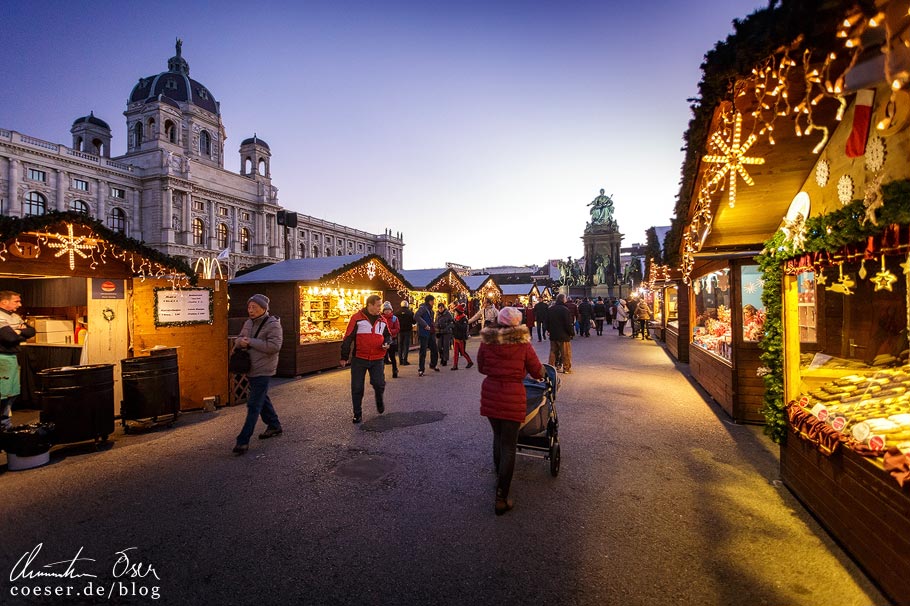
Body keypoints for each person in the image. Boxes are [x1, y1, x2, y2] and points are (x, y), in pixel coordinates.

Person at [477, 306, 544, 516]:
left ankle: (499, 476)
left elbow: (481, 367)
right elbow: (536, 370)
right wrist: (541, 373)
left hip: (491, 393)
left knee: (497, 436)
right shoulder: (522, 344)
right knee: (509, 445)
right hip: (513, 395)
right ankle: (502, 496)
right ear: (517, 323)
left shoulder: (487, 341)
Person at [232, 294, 283, 455]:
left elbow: (274, 346)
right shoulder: (248, 322)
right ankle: (274, 425)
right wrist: (240, 342)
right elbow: (239, 338)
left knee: (254, 404)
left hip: (264, 368)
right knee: (261, 397)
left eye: (254, 307)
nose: (251, 310)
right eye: (249, 307)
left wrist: (251, 342)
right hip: (250, 367)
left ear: (264, 308)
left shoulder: (273, 325)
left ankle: (243, 440)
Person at [340, 294, 391, 423]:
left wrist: (387, 343)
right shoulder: (357, 318)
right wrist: (344, 356)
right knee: (357, 387)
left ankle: (379, 398)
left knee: (379, 384)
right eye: (378, 305)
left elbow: (388, 336)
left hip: (378, 358)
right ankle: (357, 413)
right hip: (359, 358)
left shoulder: (383, 320)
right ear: (370, 305)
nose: (380, 308)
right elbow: (348, 337)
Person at [0, 291, 35, 429]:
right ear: (4, 302)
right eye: (16, 301)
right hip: (2, 359)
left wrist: (18, 332)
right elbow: (9, 338)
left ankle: (5, 426)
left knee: (12, 394)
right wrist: (20, 332)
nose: (20, 304)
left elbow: (32, 331)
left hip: (13, 358)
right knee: (3, 395)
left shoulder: (15, 316)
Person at [547, 294, 575, 374]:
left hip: (553, 334)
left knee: (553, 352)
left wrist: (549, 330)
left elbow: (547, 321)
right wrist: (571, 333)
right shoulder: (565, 310)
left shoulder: (551, 309)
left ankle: (550, 368)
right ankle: (566, 368)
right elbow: (568, 323)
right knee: (565, 352)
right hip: (564, 335)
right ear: (563, 300)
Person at [414, 294, 439, 377]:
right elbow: (416, 316)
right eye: (433, 301)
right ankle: (421, 369)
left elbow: (431, 321)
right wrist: (425, 325)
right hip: (424, 332)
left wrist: (434, 327)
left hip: (431, 332)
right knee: (423, 351)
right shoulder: (422, 308)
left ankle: (433, 364)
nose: (434, 303)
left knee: (434, 349)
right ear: (429, 301)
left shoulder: (431, 310)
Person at [451, 304, 474, 370]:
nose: (455, 313)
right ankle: (455, 365)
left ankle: (470, 362)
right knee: (455, 352)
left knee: (463, 352)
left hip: (461, 338)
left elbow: (463, 328)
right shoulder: (456, 318)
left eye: (456, 311)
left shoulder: (464, 319)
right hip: (456, 337)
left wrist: (456, 323)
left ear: (458, 312)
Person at [382, 302, 400, 378]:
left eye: (388, 309)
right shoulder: (380, 318)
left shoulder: (394, 318)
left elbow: (397, 328)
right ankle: (380, 373)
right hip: (382, 340)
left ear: (391, 310)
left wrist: (389, 332)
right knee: (382, 357)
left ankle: (395, 370)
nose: (387, 311)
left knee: (392, 356)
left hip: (392, 339)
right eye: (385, 309)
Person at [435, 302, 454, 366]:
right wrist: (436, 330)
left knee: (445, 346)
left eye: (441, 308)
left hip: (446, 332)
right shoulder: (437, 314)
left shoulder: (448, 314)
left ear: (444, 307)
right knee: (439, 346)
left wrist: (446, 328)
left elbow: (451, 322)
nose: (440, 309)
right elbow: (436, 322)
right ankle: (441, 357)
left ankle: (445, 359)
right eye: (439, 308)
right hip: (439, 332)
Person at [397, 300, 415, 365]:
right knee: (406, 346)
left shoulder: (397, 313)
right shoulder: (410, 313)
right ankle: (405, 360)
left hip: (400, 331)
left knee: (400, 345)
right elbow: (414, 322)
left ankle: (400, 360)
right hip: (407, 330)